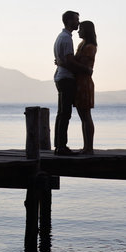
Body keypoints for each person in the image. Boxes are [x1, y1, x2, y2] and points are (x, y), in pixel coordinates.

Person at [53, 10, 80, 155]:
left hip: (60, 77)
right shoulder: (67, 39)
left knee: (61, 113)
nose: (78, 22)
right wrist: (85, 69)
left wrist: (60, 63)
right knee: (65, 113)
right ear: (69, 21)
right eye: (76, 20)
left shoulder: (60, 37)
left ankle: (59, 145)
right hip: (66, 78)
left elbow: (63, 60)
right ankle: (61, 146)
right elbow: (69, 61)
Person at [72, 20, 97, 154]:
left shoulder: (90, 47)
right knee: (83, 116)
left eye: (81, 29)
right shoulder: (82, 45)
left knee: (86, 116)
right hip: (79, 82)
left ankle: (89, 147)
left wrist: (67, 62)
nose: (78, 31)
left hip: (84, 83)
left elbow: (86, 68)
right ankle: (86, 146)